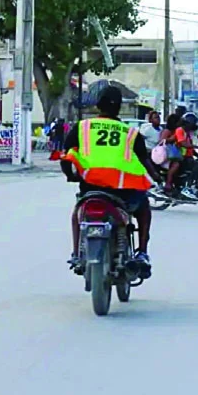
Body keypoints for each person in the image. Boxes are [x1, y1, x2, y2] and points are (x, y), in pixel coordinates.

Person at [61, 86, 164, 271]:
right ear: (118, 108)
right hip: (122, 190)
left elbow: (65, 155)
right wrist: (157, 178)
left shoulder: (82, 127)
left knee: (78, 212)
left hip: (91, 187)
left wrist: (71, 176)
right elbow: (145, 161)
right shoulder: (130, 133)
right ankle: (142, 252)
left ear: (98, 106)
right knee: (143, 208)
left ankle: (76, 254)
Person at [161, 113, 182, 192]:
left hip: (172, 154)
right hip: (165, 154)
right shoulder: (167, 131)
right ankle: (168, 183)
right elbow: (162, 141)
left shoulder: (176, 131)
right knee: (175, 165)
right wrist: (173, 138)